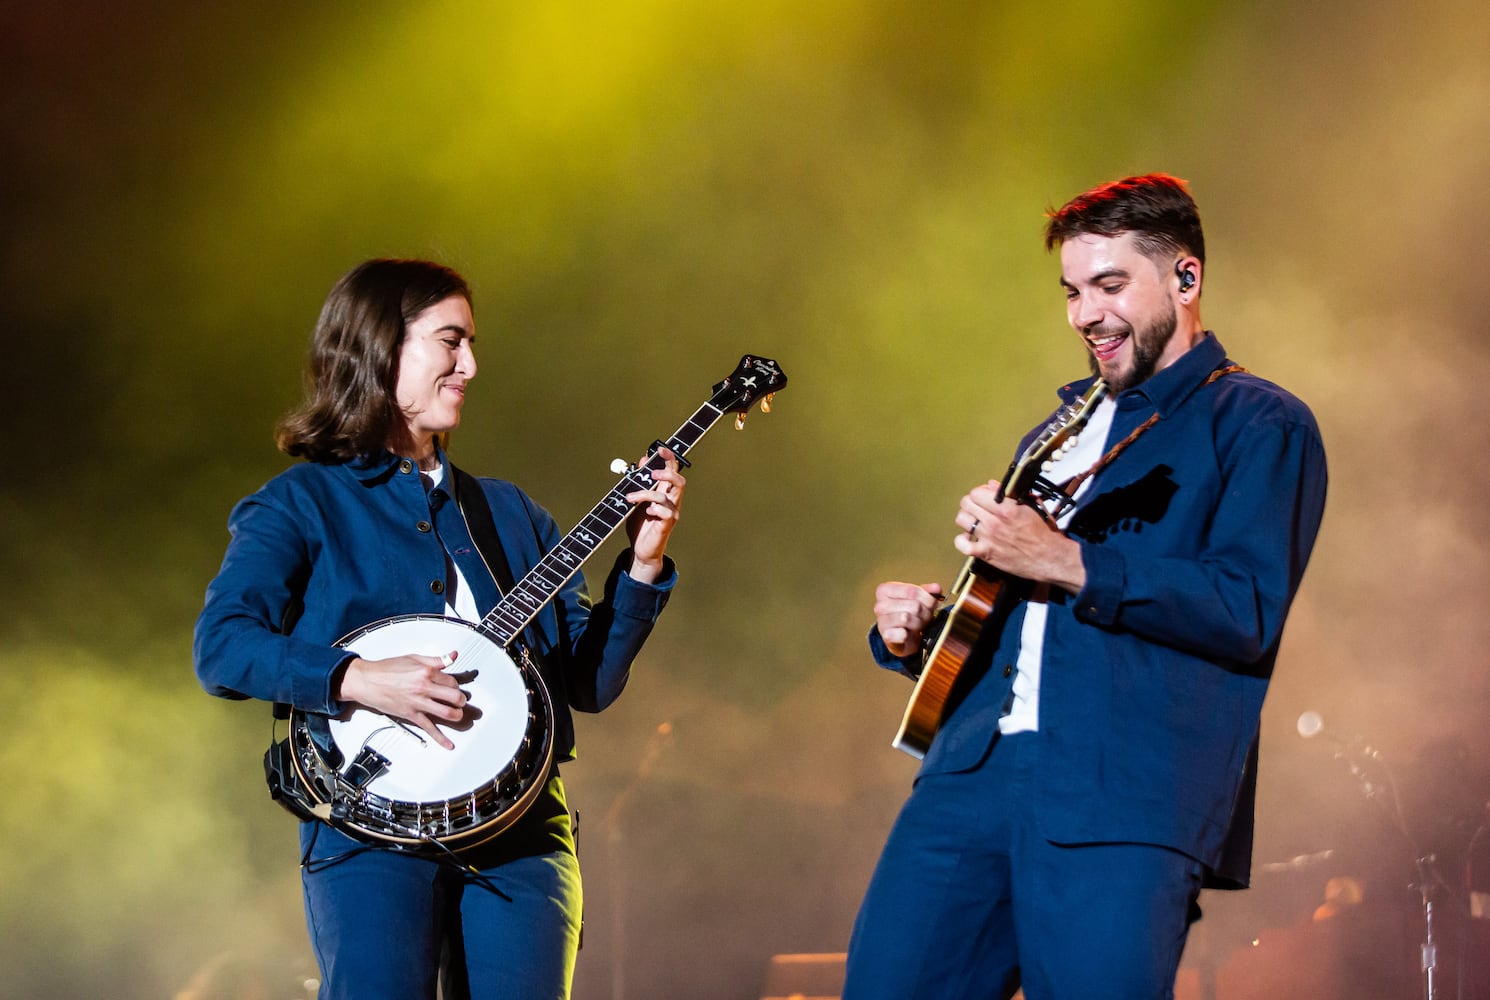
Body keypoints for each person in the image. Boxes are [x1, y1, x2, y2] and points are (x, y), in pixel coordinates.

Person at [843, 174, 1328, 999]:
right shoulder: (1056, 430)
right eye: (1071, 292)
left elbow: (1245, 608)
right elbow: (1013, 607)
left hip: (1123, 792)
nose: (1084, 314)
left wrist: (1067, 560)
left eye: (1109, 285)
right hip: (967, 776)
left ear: (1186, 277)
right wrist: (920, 633)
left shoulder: (1257, 421)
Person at [193, 258, 686, 999]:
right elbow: (222, 646)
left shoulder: (512, 514)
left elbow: (588, 683)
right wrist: (358, 678)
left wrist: (643, 566)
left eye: (473, 344)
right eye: (451, 342)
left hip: (525, 835)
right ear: (381, 345)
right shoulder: (300, 505)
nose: (471, 366)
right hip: (370, 831)